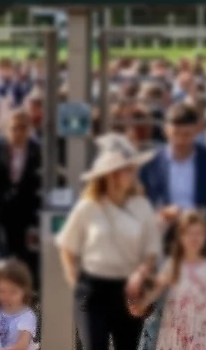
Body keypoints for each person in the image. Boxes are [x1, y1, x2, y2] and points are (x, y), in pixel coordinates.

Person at [57, 134, 164, 350]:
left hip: (129, 289)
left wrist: (142, 277)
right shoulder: (88, 207)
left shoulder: (141, 206)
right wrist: (76, 282)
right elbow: (68, 246)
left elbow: (151, 249)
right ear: (111, 174)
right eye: (128, 168)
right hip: (93, 289)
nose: (133, 173)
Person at [132, 209, 206, 350]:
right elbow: (158, 288)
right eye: (189, 234)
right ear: (180, 237)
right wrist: (143, 303)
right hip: (177, 325)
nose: (194, 238)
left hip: (203, 325)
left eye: (198, 234)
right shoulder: (173, 265)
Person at [139, 102, 206, 264]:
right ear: (166, 130)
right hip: (164, 241)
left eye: (187, 134)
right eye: (175, 134)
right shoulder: (150, 164)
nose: (181, 140)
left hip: (202, 241)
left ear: (197, 131)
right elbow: (141, 205)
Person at [0, 109, 44, 285]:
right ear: (7, 129)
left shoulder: (38, 152)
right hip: (1, 213)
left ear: (29, 129)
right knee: (1, 262)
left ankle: (30, 303)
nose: (18, 132)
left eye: (22, 128)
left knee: (28, 262)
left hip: (27, 215)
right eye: (14, 128)